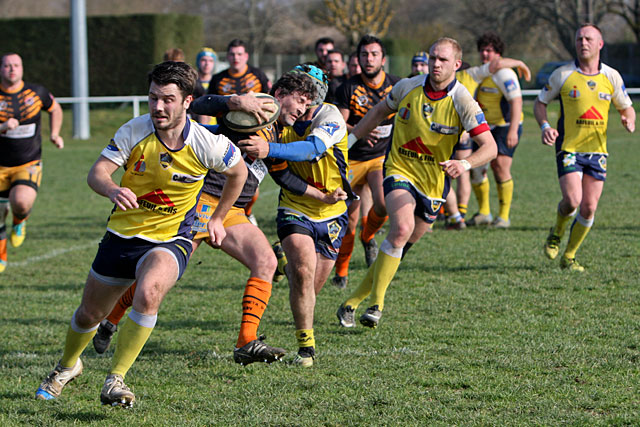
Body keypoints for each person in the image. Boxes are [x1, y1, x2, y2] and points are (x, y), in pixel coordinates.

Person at [34, 61, 247, 406]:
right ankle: (67, 366)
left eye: (167, 99)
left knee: (148, 293)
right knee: (90, 314)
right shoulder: (134, 130)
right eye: (153, 98)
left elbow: (238, 172)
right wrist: (110, 189)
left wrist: (219, 218)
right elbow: (97, 172)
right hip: (123, 235)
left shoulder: (206, 143)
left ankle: (115, 379)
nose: (158, 107)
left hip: (172, 237)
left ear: (187, 101)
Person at [336, 37, 497, 329]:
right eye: (433, 58)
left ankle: (351, 302)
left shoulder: (462, 100)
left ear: (456, 65)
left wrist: (464, 163)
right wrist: (351, 139)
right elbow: (377, 112)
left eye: (443, 60)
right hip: (399, 169)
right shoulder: (407, 87)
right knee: (401, 228)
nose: (436, 64)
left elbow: (489, 147)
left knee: (397, 246)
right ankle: (377, 305)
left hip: (434, 183)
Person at [239, 64, 352, 367]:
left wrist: (269, 148)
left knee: (310, 286)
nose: (303, 101)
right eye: (299, 94)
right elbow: (282, 174)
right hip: (295, 207)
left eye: (308, 95)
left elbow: (311, 150)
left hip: (333, 211)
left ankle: (283, 263)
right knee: (303, 275)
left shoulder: (330, 117)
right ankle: (307, 350)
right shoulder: (279, 119)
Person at [535, 23, 635, 271]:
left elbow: (626, 106)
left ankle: (569, 256)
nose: (583, 43)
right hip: (569, 147)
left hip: (598, 150)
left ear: (600, 44)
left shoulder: (611, 76)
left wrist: (628, 118)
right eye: (579, 39)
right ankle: (557, 231)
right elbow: (540, 103)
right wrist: (546, 126)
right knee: (572, 200)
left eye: (589, 39)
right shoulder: (562, 74)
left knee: (589, 207)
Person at [332, 35, 400, 289]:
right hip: (352, 159)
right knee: (349, 218)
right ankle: (341, 271)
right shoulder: (348, 87)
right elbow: (339, 124)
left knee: (383, 204)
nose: (369, 59)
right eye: (364, 55)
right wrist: (363, 128)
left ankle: (368, 236)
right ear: (358, 59)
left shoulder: (397, 85)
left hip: (381, 156)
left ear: (383, 59)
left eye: (373, 54)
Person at [0, 53, 64, 273]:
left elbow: (55, 108)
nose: (12, 69)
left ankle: (19, 221)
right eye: (7, 65)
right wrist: (2, 127)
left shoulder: (36, 93)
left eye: (16, 65)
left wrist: (55, 133)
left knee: (21, 202)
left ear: (22, 68)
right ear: (1, 69)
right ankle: (1, 255)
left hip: (28, 162)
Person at [207, 39, 271, 224]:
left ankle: (247, 212)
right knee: (224, 180)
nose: (236, 58)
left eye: (239, 54)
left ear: (246, 56)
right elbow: (209, 105)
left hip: (254, 138)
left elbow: (271, 103)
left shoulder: (257, 76)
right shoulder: (218, 79)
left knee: (252, 186)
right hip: (225, 137)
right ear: (227, 56)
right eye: (232, 54)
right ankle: (221, 215)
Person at [467, 32, 524, 228]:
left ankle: (504, 217)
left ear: (498, 53)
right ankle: (484, 213)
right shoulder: (480, 73)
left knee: (499, 166)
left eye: (489, 50)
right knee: (475, 167)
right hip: (483, 128)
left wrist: (513, 130)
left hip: (504, 126)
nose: (485, 53)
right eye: (482, 50)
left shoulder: (505, 74)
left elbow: (516, 101)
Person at [192, 47, 218, 124]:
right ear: (198, 62)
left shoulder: (218, 82)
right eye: (203, 60)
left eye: (210, 61)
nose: (207, 64)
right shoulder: (192, 82)